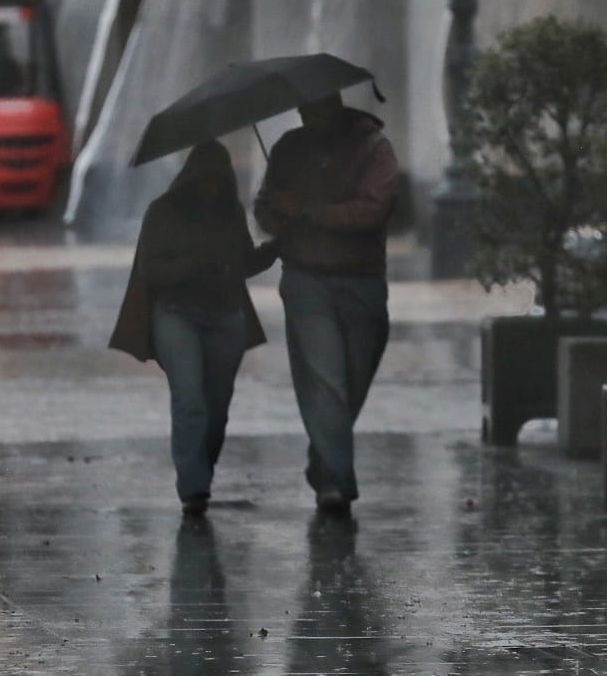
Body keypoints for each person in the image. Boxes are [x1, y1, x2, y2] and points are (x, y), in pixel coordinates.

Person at [111, 142, 279, 515]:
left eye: (218, 181)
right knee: (190, 401)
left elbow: (244, 261)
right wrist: (194, 264)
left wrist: (274, 249)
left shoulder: (230, 213)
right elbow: (151, 270)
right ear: (190, 179)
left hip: (224, 317)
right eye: (205, 180)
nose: (212, 188)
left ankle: (200, 469)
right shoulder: (162, 213)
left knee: (217, 407)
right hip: (177, 315)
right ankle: (193, 488)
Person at [254, 93, 399, 517]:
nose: (306, 117)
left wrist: (311, 211)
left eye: (314, 110)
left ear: (336, 107)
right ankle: (336, 485)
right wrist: (274, 211)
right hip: (306, 279)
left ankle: (324, 459)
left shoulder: (374, 148)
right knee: (326, 380)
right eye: (302, 110)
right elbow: (264, 212)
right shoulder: (289, 149)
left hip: (363, 281)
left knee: (350, 385)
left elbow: (374, 209)